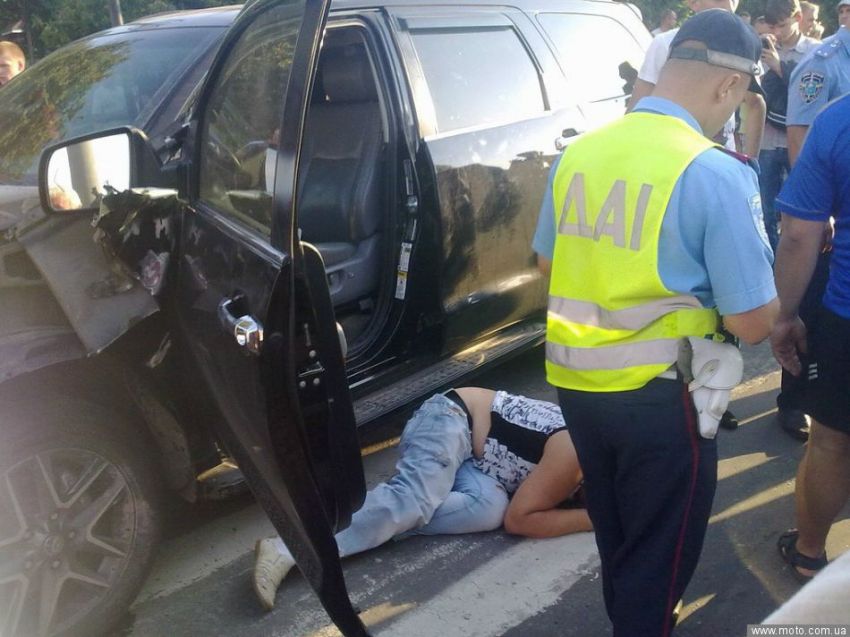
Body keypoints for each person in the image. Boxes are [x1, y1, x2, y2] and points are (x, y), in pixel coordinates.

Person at [534, 10, 777, 635]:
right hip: (663, 399)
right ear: (730, 85)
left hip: (577, 387)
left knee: (619, 539)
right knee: (659, 559)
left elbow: (548, 263)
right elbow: (753, 322)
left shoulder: (580, 152)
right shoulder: (716, 173)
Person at [252, 388, 591, 611]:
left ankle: (385, 519)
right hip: (451, 417)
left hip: (480, 463)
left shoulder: (589, 460)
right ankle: (287, 546)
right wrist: (598, 519)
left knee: (488, 510)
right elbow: (523, 519)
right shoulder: (577, 453)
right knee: (414, 500)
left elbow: (514, 513)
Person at [771, 93, 850, 583]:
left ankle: (808, 553)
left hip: (847, 318)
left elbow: (800, 234)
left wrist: (785, 315)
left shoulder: (839, 119)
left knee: (832, 443)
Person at [774, 7, 849, 440]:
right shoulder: (825, 61)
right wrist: (820, 212)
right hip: (824, 211)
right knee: (811, 307)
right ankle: (794, 400)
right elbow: (800, 135)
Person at [629, 0, 767, 160]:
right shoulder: (665, 42)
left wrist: (750, 164)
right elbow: (638, 104)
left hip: (720, 155)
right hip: (668, 154)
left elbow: (755, 103)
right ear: (693, 3)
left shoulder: (744, 44)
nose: (729, 4)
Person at [758, 0, 820, 252]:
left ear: (797, 17)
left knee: (798, 210)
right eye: (773, 27)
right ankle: (771, 260)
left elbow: (812, 94)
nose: (778, 32)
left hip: (800, 141)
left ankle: (794, 259)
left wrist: (779, 67)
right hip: (767, 139)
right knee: (764, 210)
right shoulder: (764, 47)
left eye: (783, 25)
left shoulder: (815, 51)